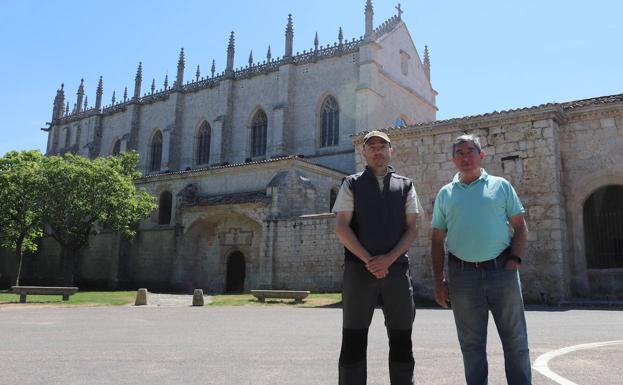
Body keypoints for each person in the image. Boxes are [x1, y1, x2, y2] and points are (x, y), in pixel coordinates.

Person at [430, 134, 531, 385]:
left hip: (502, 271)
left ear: (481, 155)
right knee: (471, 346)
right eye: (460, 153)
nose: (465, 157)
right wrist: (439, 280)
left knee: (515, 341)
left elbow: (520, 226)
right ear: (453, 159)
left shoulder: (501, 186)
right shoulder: (445, 194)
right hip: (462, 276)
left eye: (470, 151)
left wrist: (514, 261)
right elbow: (435, 240)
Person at [333, 130, 420, 385]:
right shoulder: (351, 183)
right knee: (353, 339)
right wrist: (370, 260)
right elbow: (341, 226)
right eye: (372, 146)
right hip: (359, 272)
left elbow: (412, 228)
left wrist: (388, 260)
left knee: (402, 338)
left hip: (396, 272)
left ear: (391, 150)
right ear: (364, 152)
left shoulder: (406, 185)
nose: (378, 151)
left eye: (383, 146)